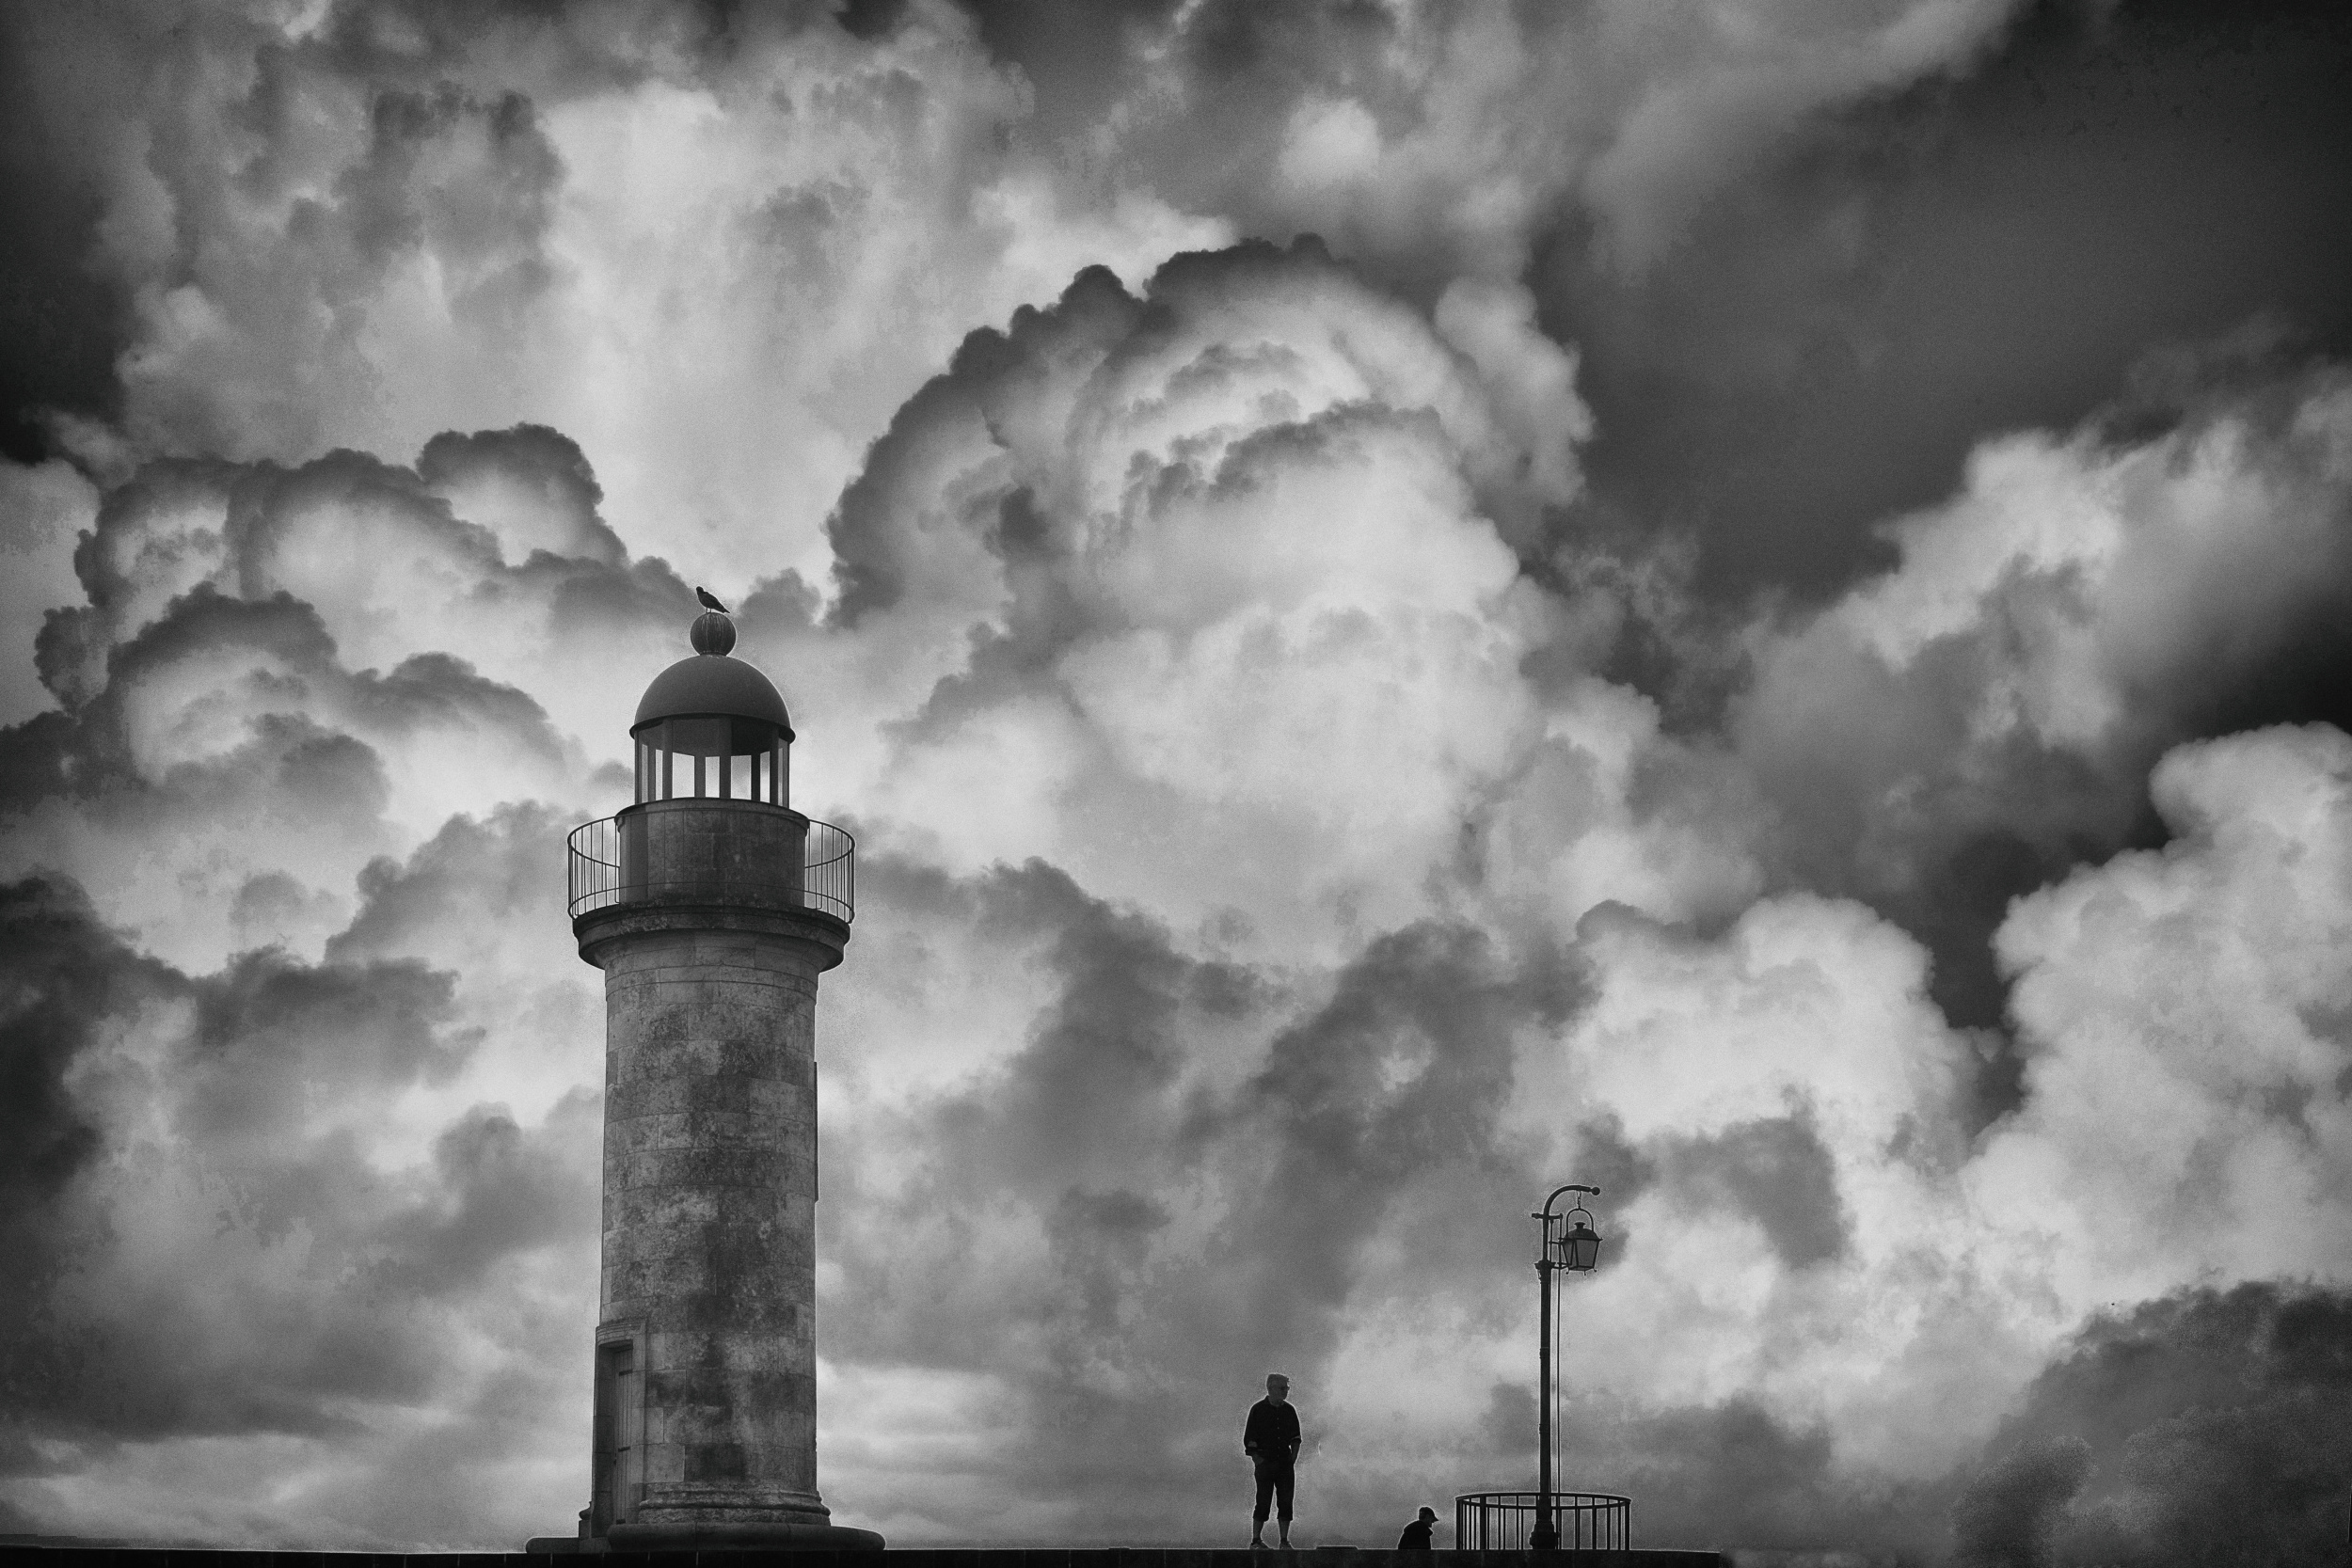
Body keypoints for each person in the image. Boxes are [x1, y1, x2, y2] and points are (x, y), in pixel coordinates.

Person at [1243, 1372, 1301, 1548]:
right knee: (1263, 1501)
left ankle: (1283, 1540)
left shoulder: (1289, 1411)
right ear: (1271, 1389)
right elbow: (1249, 1438)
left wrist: (1292, 1458)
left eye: (1286, 1388)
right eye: (1282, 1388)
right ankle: (1256, 1540)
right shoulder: (1258, 1410)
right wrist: (1258, 1459)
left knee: (1286, 1502)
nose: (1285, 1392)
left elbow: (1296, 1437)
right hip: (1265, 1462)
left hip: (1284, 1463)